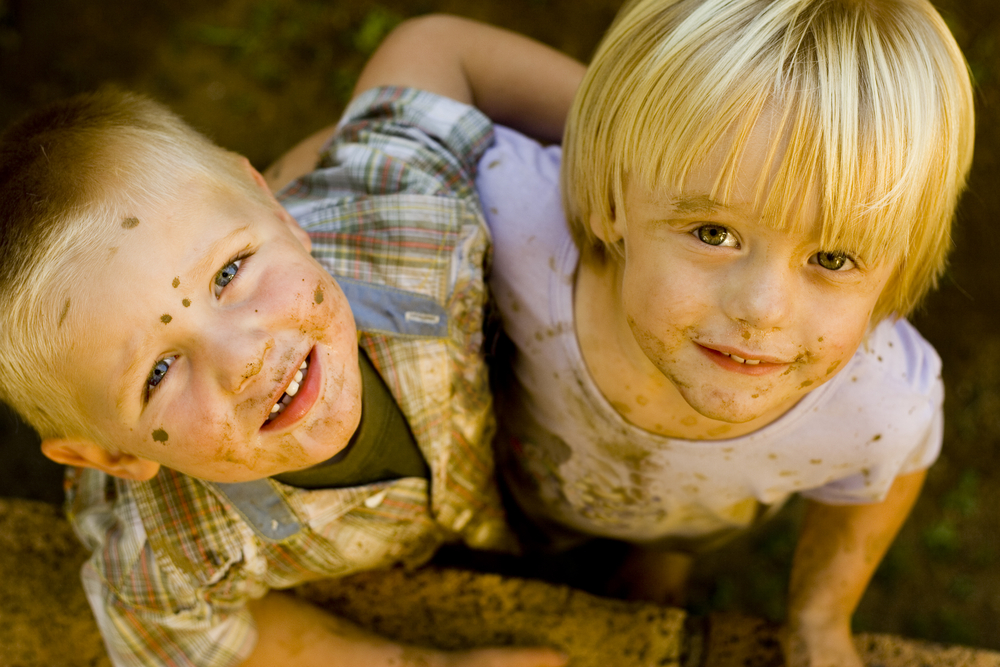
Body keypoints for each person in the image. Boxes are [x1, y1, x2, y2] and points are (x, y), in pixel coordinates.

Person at [0, 15, 584, 667]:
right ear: (106, 455)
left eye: (229, 272)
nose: (244, 358)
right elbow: (175, 634)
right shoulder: (170, 551)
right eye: (159, 372)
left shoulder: (411, 227)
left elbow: (437, 49)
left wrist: (636, 150)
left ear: (277, 211)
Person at [473, 0, 974, 665]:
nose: (763, 309)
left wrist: (820, 615)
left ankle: (658, 564)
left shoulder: (879, 401)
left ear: (897, 267)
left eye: (832, 258)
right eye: (715, 233)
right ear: (615, 202)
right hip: (509, 481)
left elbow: (896, 461)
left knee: (656, 566)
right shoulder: (510, 223)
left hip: (693, 517)